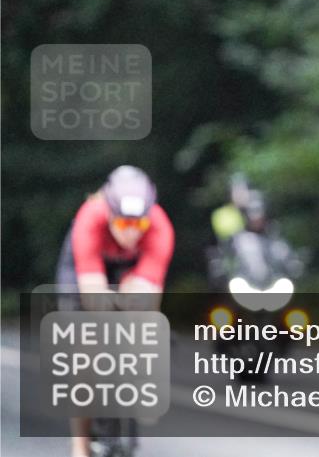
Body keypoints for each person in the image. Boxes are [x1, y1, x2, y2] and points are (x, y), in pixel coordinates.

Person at [55, 165, 175, 457]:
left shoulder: (160, 227)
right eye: (123, 224)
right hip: (85, 270)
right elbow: (92, 295)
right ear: (109, 214)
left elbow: (150, 295)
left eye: (139, 224)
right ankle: (80, 444)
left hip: (130, 270)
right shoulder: (90, 217)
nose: (131, 233)